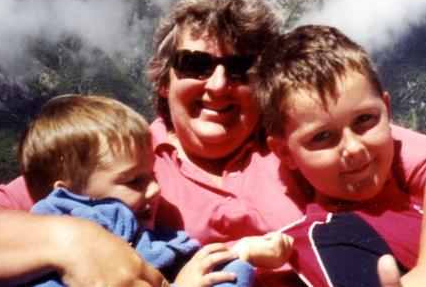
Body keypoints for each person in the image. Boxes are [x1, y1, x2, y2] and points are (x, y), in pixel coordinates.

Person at [0, 0, 311, 286]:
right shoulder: (119, 156)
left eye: (241, 67)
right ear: (164, 80)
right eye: (195, 63)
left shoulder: (296, 145)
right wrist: (74, 240)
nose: (218, 85)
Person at [249, 24, 426, 287]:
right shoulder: (325, 243)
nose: (353, 148)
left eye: (364, 119)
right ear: (285, 153)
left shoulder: (422, 195)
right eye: (322, 136)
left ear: (386, 110)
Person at [18, 94, 293, 287]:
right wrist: (242, 258)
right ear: (69, 198)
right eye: (134, 182)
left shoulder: (145, 240)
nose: (155, 189)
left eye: (152, 175)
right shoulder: (54, 267)